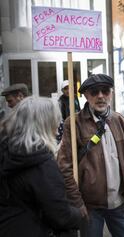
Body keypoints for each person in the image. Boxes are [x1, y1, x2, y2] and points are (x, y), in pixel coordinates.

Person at [57, 74, 124, 237]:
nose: (100, 96)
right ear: (86, 95)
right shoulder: (73, 124)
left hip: (119, 202)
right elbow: (65, 167)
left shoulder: (119, 120)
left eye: (105, 91)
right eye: (94, 92)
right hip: (90, 206)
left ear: (111, 94)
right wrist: (77, 202)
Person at [0, 96, 82, 237]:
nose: (57, 130)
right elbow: (61, 216)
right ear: (43, 125)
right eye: (55, 123)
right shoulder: (42, 165)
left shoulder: (5, 150)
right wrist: (78, 216)